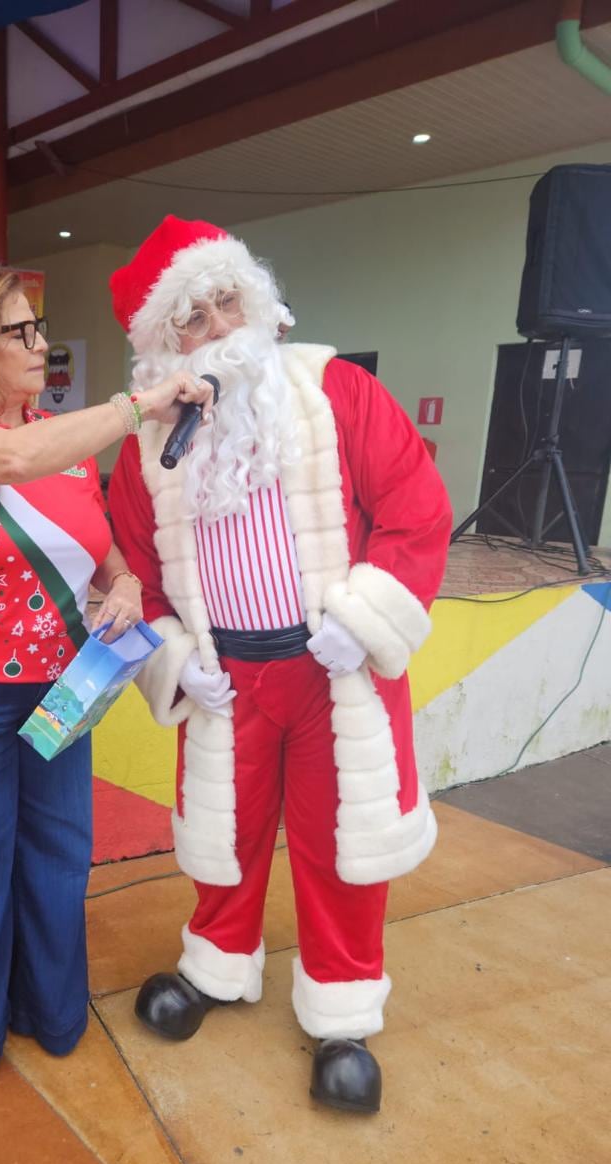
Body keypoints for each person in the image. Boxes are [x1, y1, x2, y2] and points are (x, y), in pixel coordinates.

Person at [106, 217, 453, 1113]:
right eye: (194, 316)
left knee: (342, 845)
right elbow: (134, 574)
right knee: (225, 835)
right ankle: (216, 967)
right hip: (229, 682)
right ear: (162, 343)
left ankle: (344, 1014)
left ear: (255, 304)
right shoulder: (146, 445)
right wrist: (177, 663)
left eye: (230, 301)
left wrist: (362, 621)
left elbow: (418, 512)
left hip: (332, 667)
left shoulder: (337, 389)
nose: (220, 327)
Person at [0, 265, 215, 1078]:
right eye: (21, 332)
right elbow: (8, 460)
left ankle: (52, 1008)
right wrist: (138, 404)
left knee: (58, 852)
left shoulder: (67, 444)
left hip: (65, 682)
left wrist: (125, 586)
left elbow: (105, 553)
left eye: (39, 330)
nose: (41, 346)